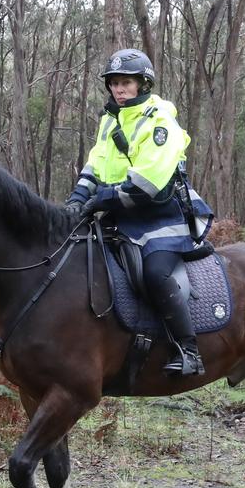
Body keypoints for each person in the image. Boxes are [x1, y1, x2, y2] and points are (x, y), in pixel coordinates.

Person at [66, 48, 214, 377]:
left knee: (155, 273)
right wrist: (78, 196)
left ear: (143, 85)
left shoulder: (160, 121)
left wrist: (100, 200)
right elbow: (97, 161)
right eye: (114, 83)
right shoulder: (110, 119)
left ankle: (189, 350)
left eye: (126, 83)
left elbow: (149, 183)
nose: (119, 89)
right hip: (119, 212)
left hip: (160, 215)